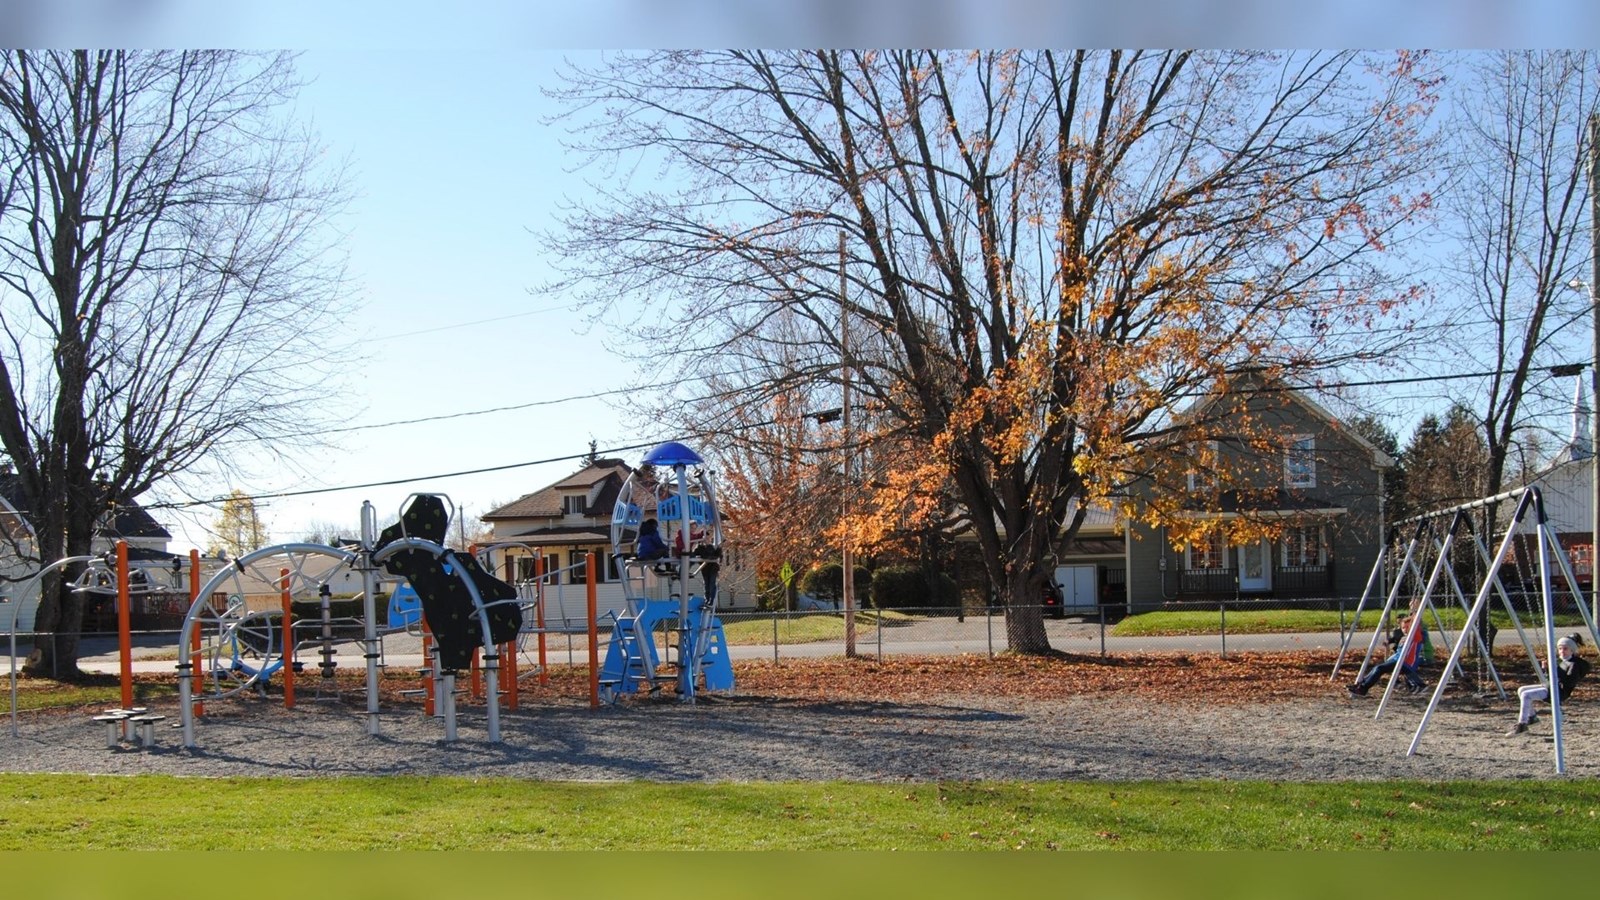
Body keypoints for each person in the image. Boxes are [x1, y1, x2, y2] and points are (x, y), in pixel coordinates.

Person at [1507, 633, 1591, 735]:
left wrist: (1555, 670)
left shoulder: (1574, 665)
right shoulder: (1562, 662)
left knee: (1526, 695)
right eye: (1560, 649)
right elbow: (1551, 678)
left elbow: (1569, 682)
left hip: (1559, 692)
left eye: (1565, 649)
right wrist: (1546, 669)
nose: (1562, 651)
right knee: (1521, 690)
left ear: (1572, 650)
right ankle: (1532, 717)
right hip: (1551, 687)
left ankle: (1522, 724)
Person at [1348, 615, 1425, 697]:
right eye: (1403, 628)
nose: (1405, 630)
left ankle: (1363, 689)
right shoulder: (1403, 638)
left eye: (1407, 627)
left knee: (1379, 668)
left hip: (1405, 663)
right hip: (1398, 660)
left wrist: (1414, 606)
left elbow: (1416, 619)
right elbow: (1399, 652)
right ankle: (1361, 685)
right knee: (1377, 667)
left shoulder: (1415, 637)